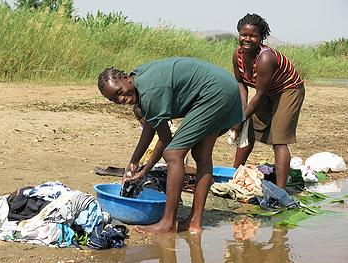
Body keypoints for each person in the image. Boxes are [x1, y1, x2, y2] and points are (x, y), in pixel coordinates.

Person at [97, 57, 244, 234]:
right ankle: (194, 223)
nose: (122, 99)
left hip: (214, 93)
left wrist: (145, 170)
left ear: (126, 78)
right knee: (201, 154)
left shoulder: (150, 91)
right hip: (223, 87)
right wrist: (133, 162)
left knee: (173, 154)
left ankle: (168, 223)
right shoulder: (140, 80)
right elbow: (151, 126)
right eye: (115, 99)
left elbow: (166, 140)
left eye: (120, 91)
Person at [231, 13, 305, 189]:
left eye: (253, 35)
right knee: (247, 132)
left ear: (261, 37)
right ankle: (232, 175)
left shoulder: (265, 58)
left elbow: (260, 94)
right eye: (243, 34)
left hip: (288, 90)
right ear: (239, 34)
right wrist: (241, 115)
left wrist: (239, 120)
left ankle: (280, 190)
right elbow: (241, 83)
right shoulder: (238, 55)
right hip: (265, 92)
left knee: (279, 138)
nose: (247, 39)